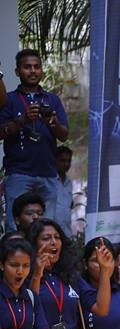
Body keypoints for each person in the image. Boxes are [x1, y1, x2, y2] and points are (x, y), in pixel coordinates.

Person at [0, 49, 69, 233]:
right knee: (14, 228)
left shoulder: (52, 99)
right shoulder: (10, 100)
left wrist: (52, 122)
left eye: (37, 67)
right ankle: (15, 262)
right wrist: (23, 120)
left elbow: (64, 135)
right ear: (17, 71)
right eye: (27, 67)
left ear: (42, 71)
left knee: (47, 229)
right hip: (19, 173)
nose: (32, 71)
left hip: (48, 173)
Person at [52, 145, 75, 236]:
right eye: (62, 160)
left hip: (66, 232)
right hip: (51, 231)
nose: (66, 164)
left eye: (69, 161)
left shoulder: (69, 183)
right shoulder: (48, 182)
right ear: (54, 161)